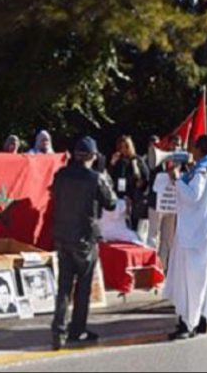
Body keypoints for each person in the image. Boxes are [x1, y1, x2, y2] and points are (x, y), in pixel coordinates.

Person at [51, 136, 117, 350]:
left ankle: (58, 330)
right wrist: (104, 175)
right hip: (85, 239)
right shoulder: (95, 178)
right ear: (91, 156)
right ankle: (77, 330)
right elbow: (111, 203)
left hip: (62, 236)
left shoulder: (60, 175)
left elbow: (55, 198)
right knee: (83, 287)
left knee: (63, 287)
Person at [164, 136, 207, 340]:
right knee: (204, 279)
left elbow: (192, 196)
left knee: (190, 280)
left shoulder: (202, 171)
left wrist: (177, 178)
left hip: (195, 236)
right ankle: (201, 320)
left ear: (199, 149)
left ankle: (187, 324)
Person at [147, 135, 183, 270]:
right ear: (168, 144)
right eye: (173, 143)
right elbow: (151, 177)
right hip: (157, 204)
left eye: (178, 144)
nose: (175, 146)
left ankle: (161, 268)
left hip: (172, 205)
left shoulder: (181, 162)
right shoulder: (159, 158)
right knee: (153, 237)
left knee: (167, 239)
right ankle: (150, 268)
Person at [110, 136, 150, 231]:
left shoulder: (136, 160)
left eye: (126, 146)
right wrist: (112, 163)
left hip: (133, 198)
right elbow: (109, 178)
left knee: (132, 227)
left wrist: (141, 183)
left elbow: (146, 177)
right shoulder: (117, 160)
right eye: (121, 147)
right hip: (119, 196)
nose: (123, 149)